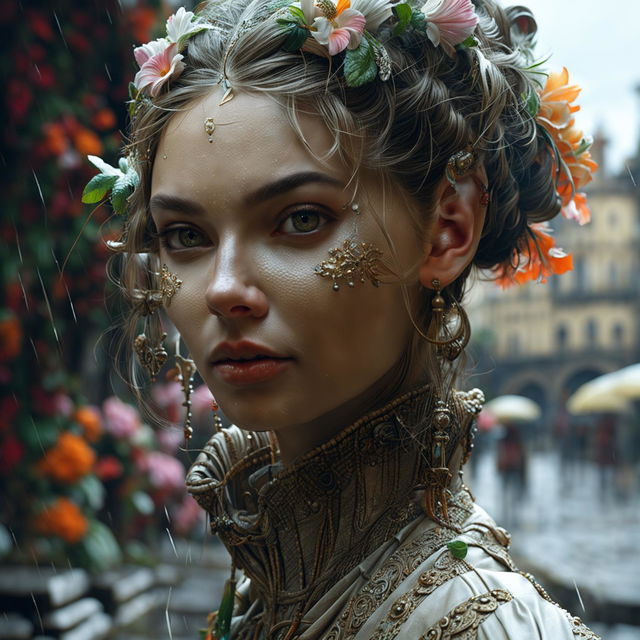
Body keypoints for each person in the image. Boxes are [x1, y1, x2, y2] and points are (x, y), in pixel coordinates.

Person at [86, 0, 600, 637]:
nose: (222, 290)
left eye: (302, 219)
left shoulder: (487, 627)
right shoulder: (265, 590)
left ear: (447, 230)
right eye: (185, 235)